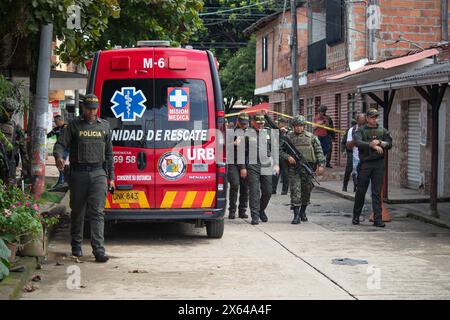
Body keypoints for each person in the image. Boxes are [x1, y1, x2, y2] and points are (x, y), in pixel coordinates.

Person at [53, 94, 115, 262]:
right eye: (88, 108)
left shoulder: (104, 127)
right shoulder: (73, 126)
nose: (91, 112)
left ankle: (99, 251)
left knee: (97, 213)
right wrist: (59, 157)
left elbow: (109, 155)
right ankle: (76, 246)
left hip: (98, 174)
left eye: (94, 108)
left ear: (97, 109)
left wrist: (111, 178)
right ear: (83, 108)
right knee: (78, 213)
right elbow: (60, 144)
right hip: (78, 174)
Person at [281, 115, 325, 224]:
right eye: (296, 126)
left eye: (300, 126)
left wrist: (321, 165)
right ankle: (296, 215)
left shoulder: (311, 137)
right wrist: (288, 157)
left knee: (306, 190)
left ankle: (303, 212)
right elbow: (279, 150)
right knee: (295, 191)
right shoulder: (288, 137)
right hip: (294, 168)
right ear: (293, 126)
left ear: (304, 126)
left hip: (308, 168)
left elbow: (319, 152)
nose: (298, 128)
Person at [352, 108, 392, 228]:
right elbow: (358, 143)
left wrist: (379, 142)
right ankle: (356, 216)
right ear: (367, 118)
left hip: (378, 164)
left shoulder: (383, 130)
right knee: (361, 191)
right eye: (372, 117)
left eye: (376, 117)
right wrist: (371, 145)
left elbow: (389, 144)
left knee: (376, 192)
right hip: (365, 164)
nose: (375, 119)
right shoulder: (361, 130)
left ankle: (378, 219)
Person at [246, 113, 279, 225]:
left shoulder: (269, 133)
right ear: (253, 123)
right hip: (252, 164)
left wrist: (276, 164)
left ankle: (261, 210)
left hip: (266, 164)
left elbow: (274, 149)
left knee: (268, 191)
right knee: (254, 191)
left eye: (262, 123)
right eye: (258, 123)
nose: (260, 125)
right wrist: (242, 167)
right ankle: (254, 215)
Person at [0, 100, 29, 184]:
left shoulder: (16, 127)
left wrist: (25, 168)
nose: (9, 114)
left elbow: (23, 150)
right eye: (7, 110)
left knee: (9, 188)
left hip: (9, 164)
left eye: (11, 111)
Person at [227, 112, 249, 219]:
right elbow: (223, 146)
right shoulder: (231, 132)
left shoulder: (250, 133)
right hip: (233, 163)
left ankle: (242, 210)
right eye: (242, 123)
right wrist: (233, 144)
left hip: (247, 162)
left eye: (245, 124)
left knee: (245, 187)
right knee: (235, 185)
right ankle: (232, 210)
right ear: (237, 122)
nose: (243, 125)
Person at [345, 113, 367, 192]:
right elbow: (348, 146)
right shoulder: (352, 130)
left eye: (364, 123)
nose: (362, 126)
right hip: (357, 159)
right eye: (360, 124)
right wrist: (355, 140)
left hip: (368, 159)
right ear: (357, 121)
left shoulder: (369, 129)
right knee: (360, 181)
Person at [268, 116, 290, 195]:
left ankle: (284, 190)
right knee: (275, 173)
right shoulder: (275, 130)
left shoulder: (289, 132)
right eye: (281, 123)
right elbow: (271, 124)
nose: (283, 125)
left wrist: (286, 132)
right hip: (275, 155)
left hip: (284, 155)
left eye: (284, 123)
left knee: (285, 174)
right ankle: (273, 189)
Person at [47, 115, 68, 188]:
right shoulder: (56, 129)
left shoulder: (67, 127)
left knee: (60, 163)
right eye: (54, 122)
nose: (55, 123)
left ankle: (61, 181)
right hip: (59, 149)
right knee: (58, 164)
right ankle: (63, 179)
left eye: (56, 121)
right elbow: (48, 135)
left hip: (65, 148)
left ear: (61, 120)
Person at [341, 118, 357, 192]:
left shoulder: (361, 130)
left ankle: (356, 186)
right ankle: (345, 186)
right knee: (349, 169)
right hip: (350, 152)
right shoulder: (349, 131)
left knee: (356, 169)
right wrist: (343, 150)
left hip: (358, 152)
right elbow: (343, 141)